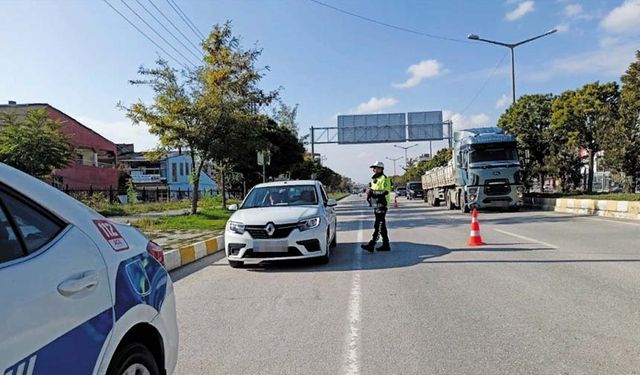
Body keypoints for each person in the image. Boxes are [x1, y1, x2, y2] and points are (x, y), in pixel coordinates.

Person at [361, 161, 391, 252]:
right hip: (376, 204)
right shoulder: (374, 179)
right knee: (382, 226)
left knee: (378, 225)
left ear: (381, 169)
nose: (374, 169)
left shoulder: (385, 178)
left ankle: (372, 244)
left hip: (382, 204)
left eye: (376, 168)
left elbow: (386, 191)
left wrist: (373, 192)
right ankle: (386, 245)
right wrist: (368, 191)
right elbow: (372, 190)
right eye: (374, 168)